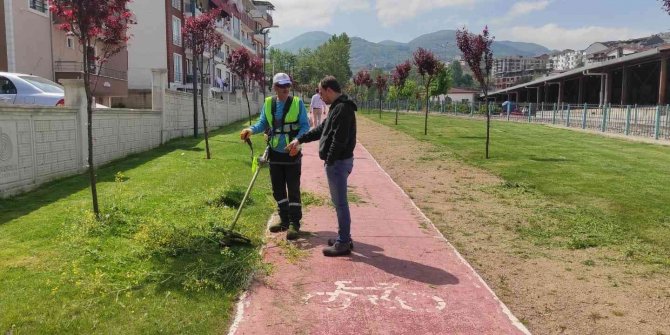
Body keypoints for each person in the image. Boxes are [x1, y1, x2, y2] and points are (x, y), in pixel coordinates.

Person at [287, 76, 357, 257]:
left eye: (320, 91)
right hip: (338, 162)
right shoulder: (338, 107)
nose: (319, 95)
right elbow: (322, 130)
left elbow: (339, 140)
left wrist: (330, 160)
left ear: (329, 90)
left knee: (340, 203)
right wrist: (299, 139)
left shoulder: (342, 109)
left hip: (338, 163)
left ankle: (343, 243)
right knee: (339, 202)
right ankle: (344, 237)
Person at [240, 73, 310, 240]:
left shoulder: (297, 103)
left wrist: (297, 142)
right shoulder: (269, 103)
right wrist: (250, 130)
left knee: (293, 189)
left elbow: (305, 126)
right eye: (282, 85)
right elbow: (262, 123)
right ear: (275, 88)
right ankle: (284, 220)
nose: (286, 88)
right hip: (275, 154)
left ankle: (294, 223)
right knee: (278, 189)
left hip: (292, 153)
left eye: (288, 85)